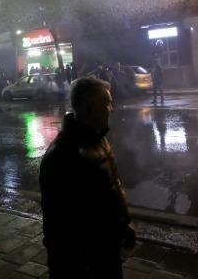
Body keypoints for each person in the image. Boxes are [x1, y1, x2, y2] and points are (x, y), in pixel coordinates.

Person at [39, 77, 135, 279]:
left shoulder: (99, 138)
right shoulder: (62, 155)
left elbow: (112, 186)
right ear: (88, 108)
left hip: (108, 247)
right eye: (106, 103)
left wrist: (123, 224)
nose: (111, 109)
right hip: (87, 261)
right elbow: (58, 227)